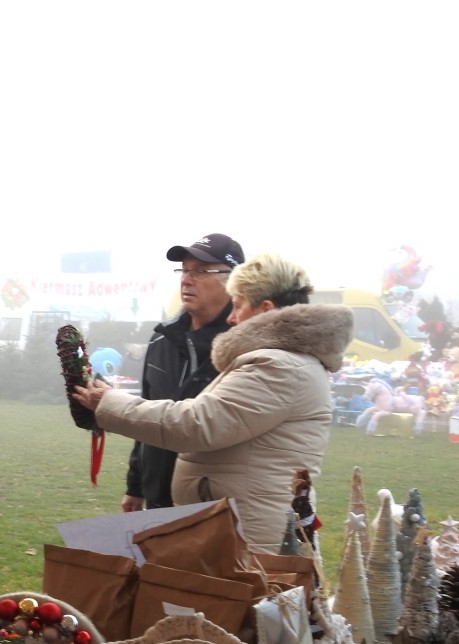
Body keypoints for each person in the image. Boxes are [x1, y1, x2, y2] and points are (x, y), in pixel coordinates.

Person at [75, 253, 354, 554]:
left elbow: (196, 424)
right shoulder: (282, 361)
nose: (231, 319)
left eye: (237, 306)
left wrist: (108, 403)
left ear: (265, 309)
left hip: (251, 536)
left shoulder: (278, 366)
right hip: (243, 526)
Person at [121, 233, 244, 513]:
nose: (186, 280)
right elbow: (146, 415)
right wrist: (135, 486)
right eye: (184, 270)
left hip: (213, 506)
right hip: (157, 501)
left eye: (200, 271)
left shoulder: (245, 348)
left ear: (234, 281)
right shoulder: (161, 339)